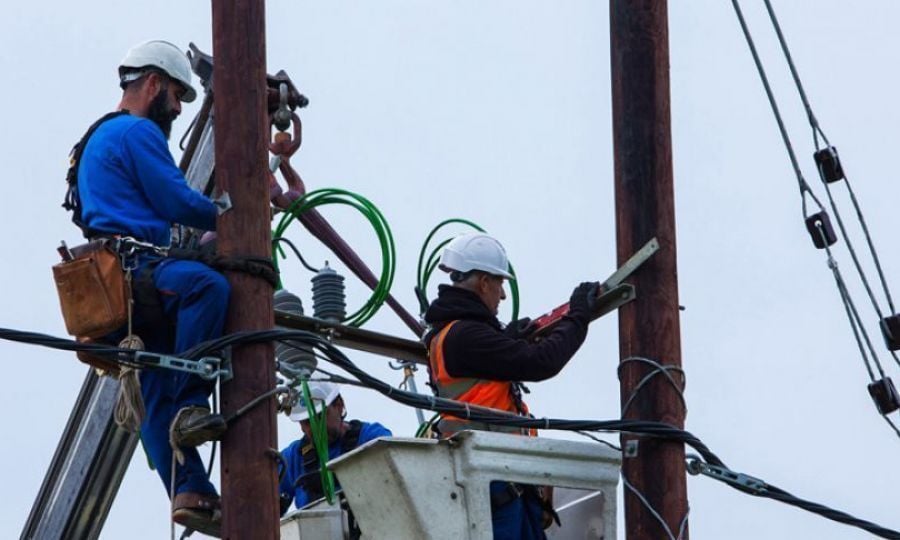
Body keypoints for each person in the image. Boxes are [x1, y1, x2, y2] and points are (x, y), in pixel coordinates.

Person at [73, 40, 228, 535]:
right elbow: (175, 199)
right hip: (135, 268)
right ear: (155, 83)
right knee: (207, 288)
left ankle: (191, 492)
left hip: (115, 279)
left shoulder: (95, 138)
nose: (179, 110)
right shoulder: (137, 131)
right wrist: (234, 210)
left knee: (155, 390)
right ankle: (193, 405)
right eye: (177, 96)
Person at [423, 232, 598, 540]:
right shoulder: (466, 337)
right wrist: (578, 319)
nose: (502, 296)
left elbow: (483, 373)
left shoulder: (450, 334)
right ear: (483, 283)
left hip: (498, 481)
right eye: (500, 284)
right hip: (498, 491)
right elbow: (541, 362)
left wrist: (509, 339)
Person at [278, 381, 392, 515]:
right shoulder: (292, 458)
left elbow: (389, 486)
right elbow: (267, 507)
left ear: (339, 405)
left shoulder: (371, 438)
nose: (315, 429)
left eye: (319, 417)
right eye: (307, 422)